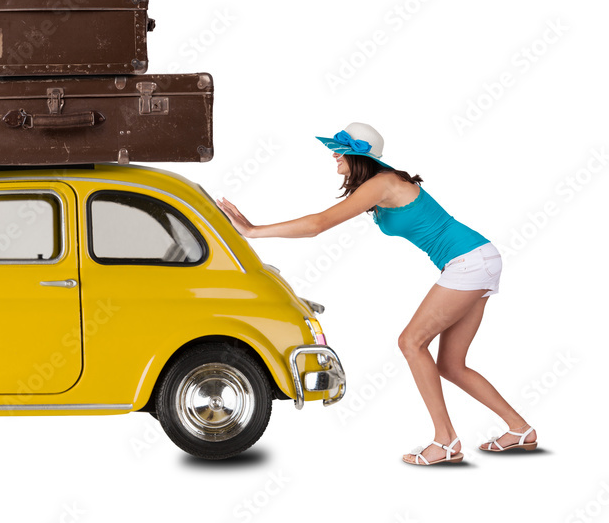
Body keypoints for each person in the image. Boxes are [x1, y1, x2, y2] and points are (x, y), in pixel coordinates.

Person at [216, 122, 537, 466]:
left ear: (359, 155)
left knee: (411, 342)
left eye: (340, 150)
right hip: (476, 258)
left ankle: (445, 441)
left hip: (469, 261)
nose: (334, 155)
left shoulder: (382, 184)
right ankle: (520, 430)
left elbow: (319, 224)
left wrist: (252, 231)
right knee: (451, 365)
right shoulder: (381, 185)